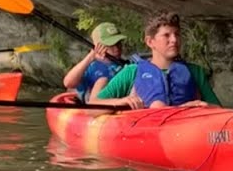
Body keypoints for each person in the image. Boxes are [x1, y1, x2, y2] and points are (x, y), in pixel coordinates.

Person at [90, 12, 220, 109]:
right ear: (150, 41)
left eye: (177, 34)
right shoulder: (132, 72)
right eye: (166, 35)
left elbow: (220, 110)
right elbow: (93, 107)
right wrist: (121, 101)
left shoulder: (195, 72)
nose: (174, 40)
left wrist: (201, 107)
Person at [62, 22, 128, 102]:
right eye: (111, 44)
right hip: (95, 107)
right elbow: (68, 83)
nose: (117, 48)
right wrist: (91, 57)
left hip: (121, 105)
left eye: (118, 43)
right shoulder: (90, 67)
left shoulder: (127, 65)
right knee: (102, 81)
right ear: (98, 46)